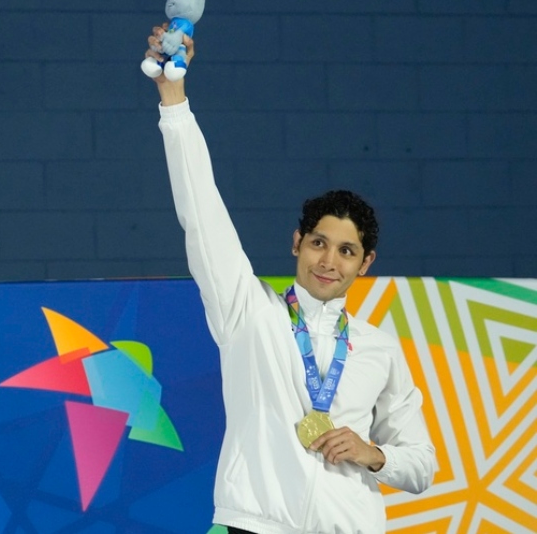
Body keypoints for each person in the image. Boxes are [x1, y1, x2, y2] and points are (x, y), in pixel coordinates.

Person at [149, 31, 436, 532]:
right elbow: (201, 210)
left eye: (346, 251)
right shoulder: (248, 312)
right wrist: (173, 98)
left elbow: (422, 464)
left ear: (364, 263)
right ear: (297, 243)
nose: (329, 261)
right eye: (319, 243)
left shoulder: (378, 349)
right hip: (255, 524)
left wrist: (373, 455)